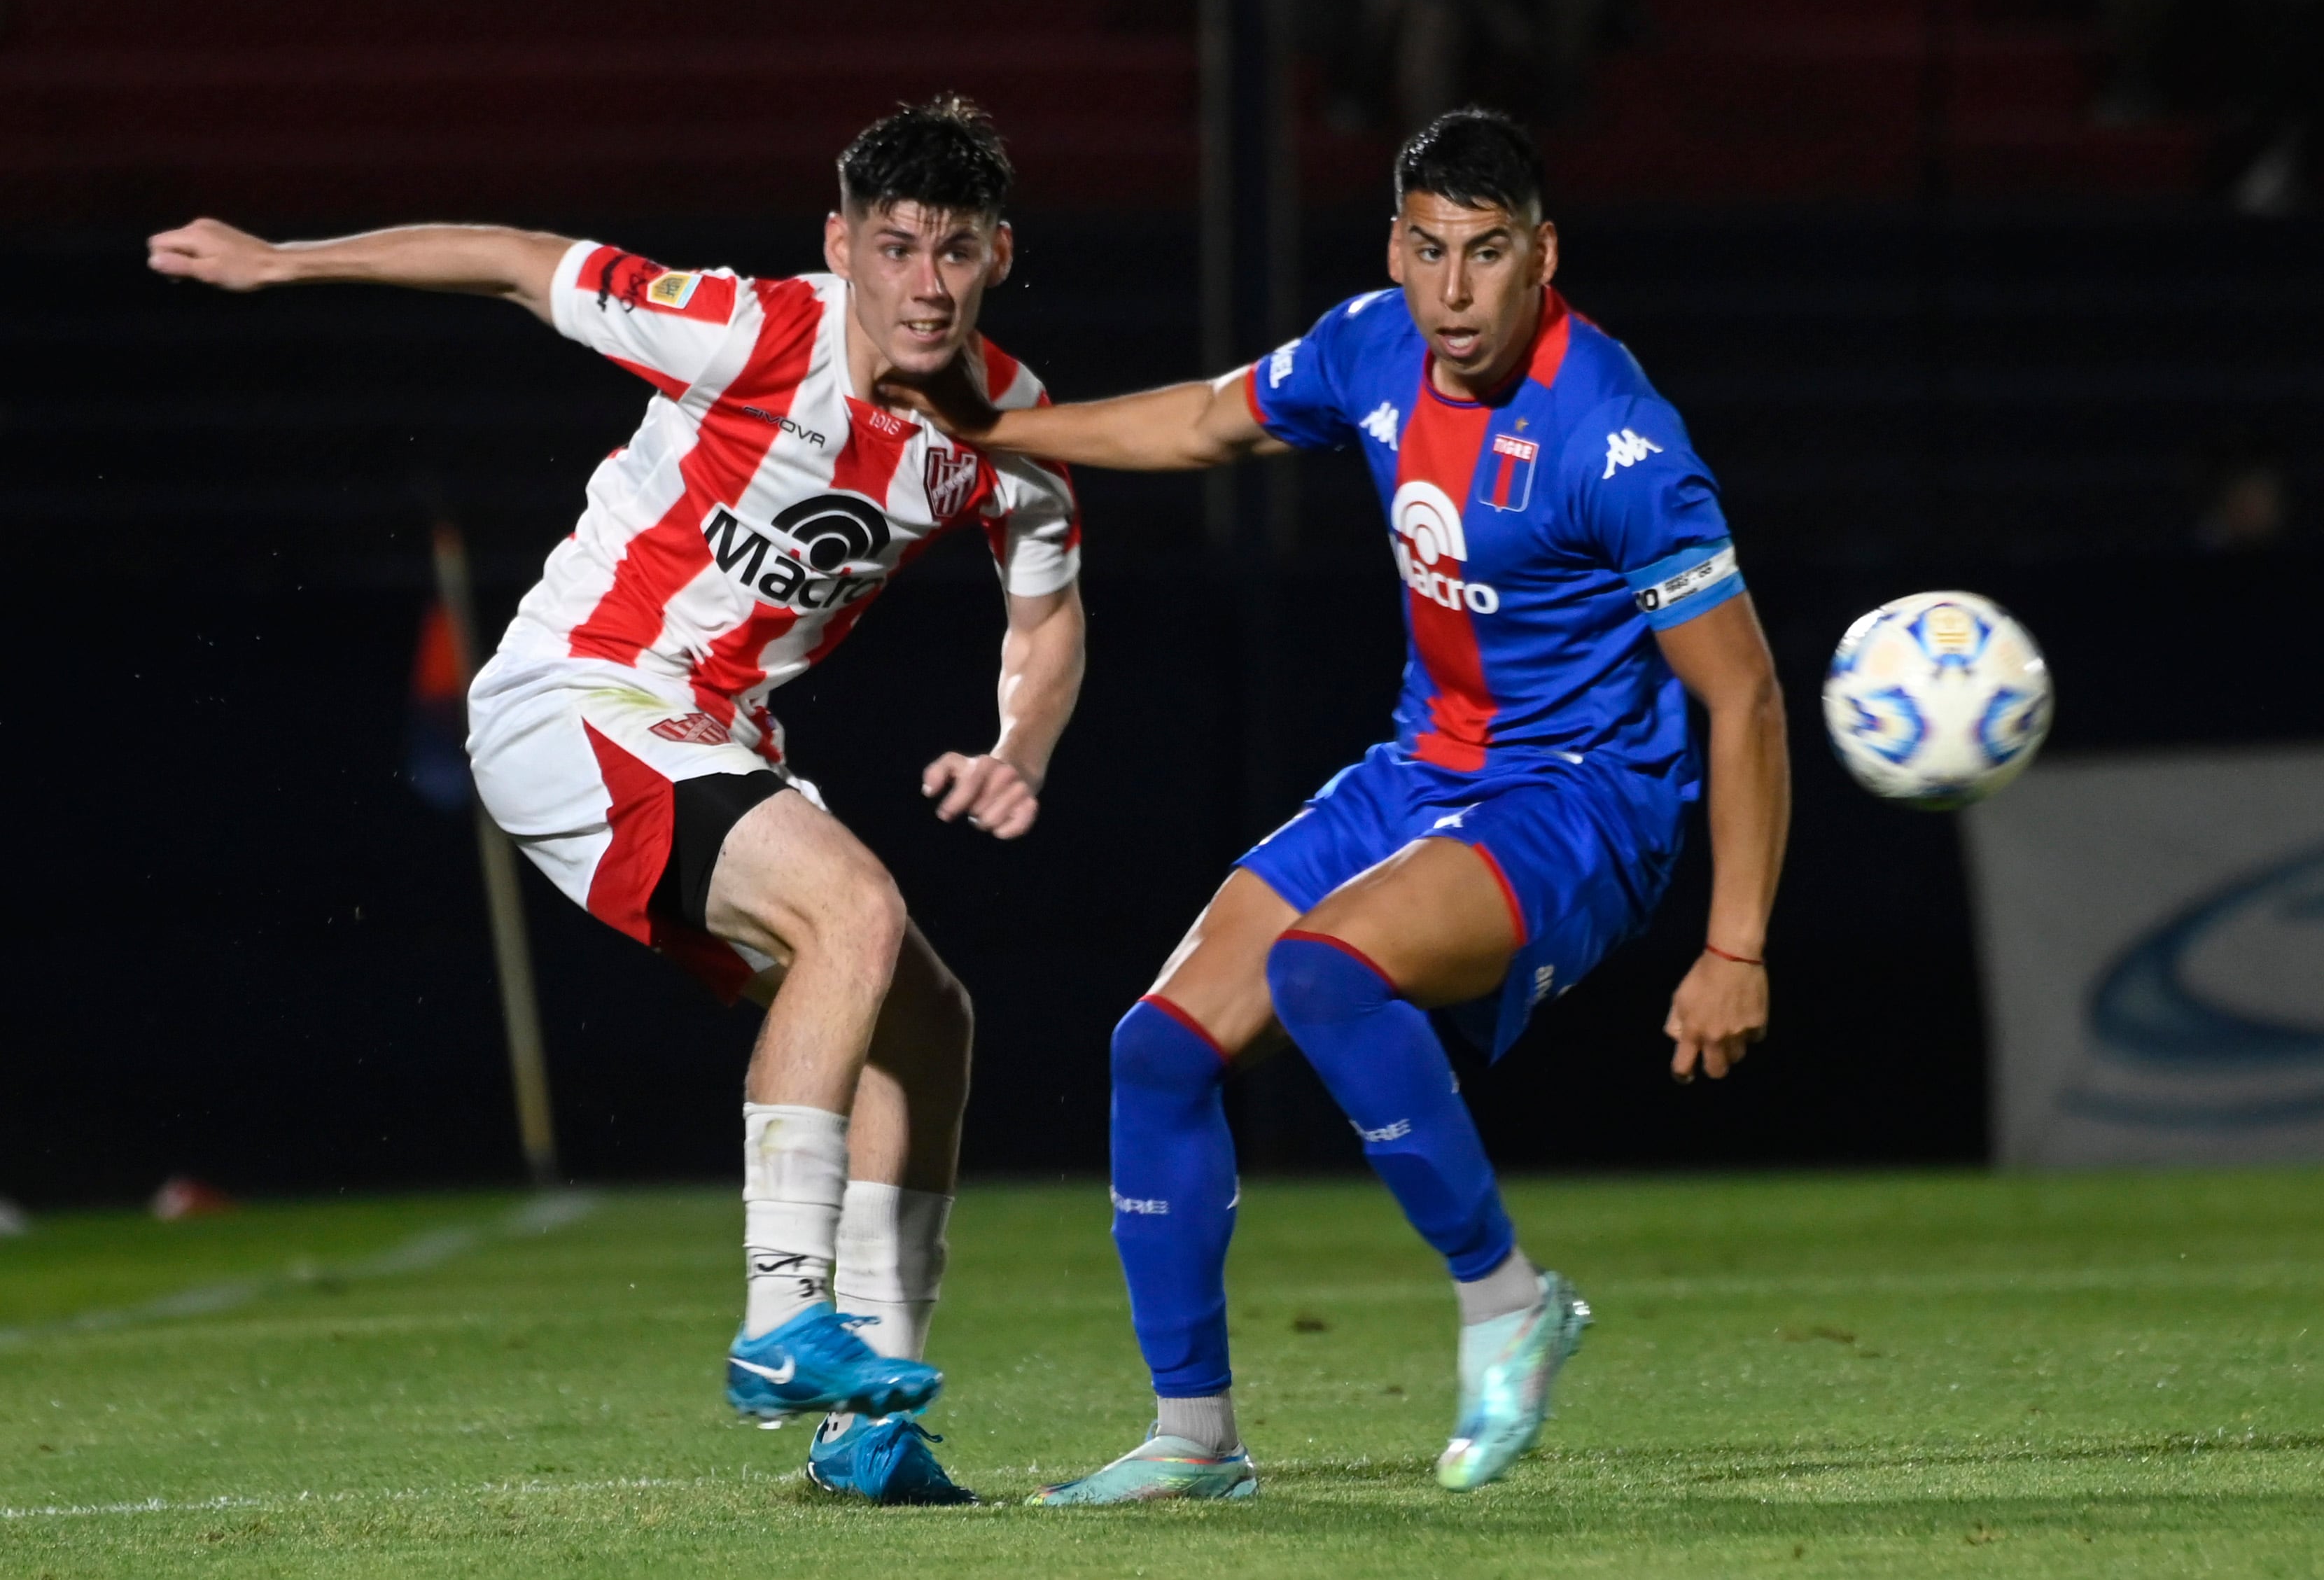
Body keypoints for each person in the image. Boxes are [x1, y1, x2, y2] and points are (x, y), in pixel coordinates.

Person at [147, 97, 1086, 1506]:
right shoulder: (749, 329)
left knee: (927, 1021)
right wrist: (288, 260)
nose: (927, 283)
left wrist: (1020, 742)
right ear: (842, 246)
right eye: (895, 247)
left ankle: (870, 1420)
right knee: (855, 907)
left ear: (998, 254)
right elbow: (520, 260)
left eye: (955, 249)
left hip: (716, 735)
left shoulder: (1009, 425)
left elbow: (1047, 614)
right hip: (576, 694)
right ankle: (782, 1316)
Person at [887, 107, 1788, 1502]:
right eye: (1429, 250)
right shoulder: (1368, 344)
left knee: (1323, 968)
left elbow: (1744, 697)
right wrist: (992, 426)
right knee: (1157, 1048)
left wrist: (1733, 945)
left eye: (1488, 254)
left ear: (1542, 256)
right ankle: (1194, 1437)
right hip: (1420, 769)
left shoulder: (1618, 436)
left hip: (1584, 799)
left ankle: (1508, 1302)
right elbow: (1200, 421)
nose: (1455, 289)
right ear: (1395, 247)